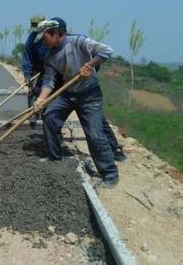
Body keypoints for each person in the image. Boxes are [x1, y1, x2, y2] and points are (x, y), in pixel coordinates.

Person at [23, 15, 127, 162]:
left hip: (79, 82)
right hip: (53, 78)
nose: (43, 40)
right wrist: (32, 80)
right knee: (50, 114)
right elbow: (29, 59)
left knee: (96, 122)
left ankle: (115, 150)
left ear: (59, 33)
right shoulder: (34, 39)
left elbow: (98, 57)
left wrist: (89, 68)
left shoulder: (75, 42)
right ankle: (55, 149)